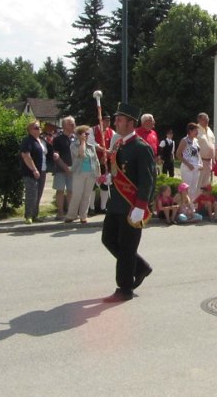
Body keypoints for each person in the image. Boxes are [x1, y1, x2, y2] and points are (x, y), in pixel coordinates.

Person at [100, 103, 156, 303]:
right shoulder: (118, 145)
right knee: (108, 239)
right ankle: (140, 267)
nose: (115, 122)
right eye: (116, 119)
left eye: (120, 119)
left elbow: (147, 179)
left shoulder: (141, 147)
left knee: (126, 249)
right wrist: (108, 178)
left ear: (131, 123)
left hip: (132, 207)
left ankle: (124, 289)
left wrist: (141, 206)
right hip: (116, 204)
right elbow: (117, 172)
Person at [65, 126, 100, 223]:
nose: (87, 136)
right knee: (77, 194)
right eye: (86, 134)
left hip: (91, 173)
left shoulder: (91, 146)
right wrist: (83, 142)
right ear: (79, 135)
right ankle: (71, 215)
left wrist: (99, 173)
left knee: (87, 195)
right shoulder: (74, 145)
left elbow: (96, 160)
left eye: (88, 134)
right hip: (79, 173)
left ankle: (83, 216)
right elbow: (81, 154)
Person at [20, 120, 50, 224]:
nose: (39, 129)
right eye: (36, 128)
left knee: (39, 193)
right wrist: (34, 169)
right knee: (31, 193)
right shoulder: (27, 140)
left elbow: (47, 153)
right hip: (31, 171)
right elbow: (26, 156)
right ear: (30, 130)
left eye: (39, 127)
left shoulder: (41, 141)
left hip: (43, 170)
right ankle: (28, 215)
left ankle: (35, 214)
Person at [52, 116, 76, 220]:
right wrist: (66, 168)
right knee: (60, 190)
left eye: (74, 123)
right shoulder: (57, 139)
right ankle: (60, 212)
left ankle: (70, 212)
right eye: (71, 123)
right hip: (61, 169)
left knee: (71, 190)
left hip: (73, 169)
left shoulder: (75, 138)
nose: (74, 125)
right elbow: (56, 156)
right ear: (65, 126)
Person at [88, 114, 114, 214]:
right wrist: (105, 151)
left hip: (105, 162)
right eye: (106, 120)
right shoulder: (92, 130)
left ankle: (103, 207)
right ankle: (91, 207)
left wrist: (107, 155)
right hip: (94, 161)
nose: (108, 122)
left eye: (109, 120)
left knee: (105, 183)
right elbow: (92, 144)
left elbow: (113, 145)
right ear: (101, 120)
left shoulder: (111, 132)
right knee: (93, 185)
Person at [177, 122, 202, 200]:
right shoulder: (184, 140)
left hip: (196, 166)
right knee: (187, 187)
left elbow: (198, 153)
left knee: (194, 188)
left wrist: (201, 163)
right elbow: (178, 154)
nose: (197, 132)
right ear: (190, 131)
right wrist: (188, 164)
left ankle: (192, 207)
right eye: (195, 130)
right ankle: (185, 206)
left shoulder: (196, 141)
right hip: (187, 167)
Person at [196, 112, 216, 188]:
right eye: (204, 119)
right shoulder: (195, 129)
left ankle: (203, 199)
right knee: (198, 184)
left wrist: (213, 159)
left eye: (207, 119)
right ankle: (196, 199)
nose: (207, 121)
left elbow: (213, 144)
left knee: (206, 186)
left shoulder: (210, 130)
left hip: (209, 162)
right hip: (200, 161)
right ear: (199, 120)